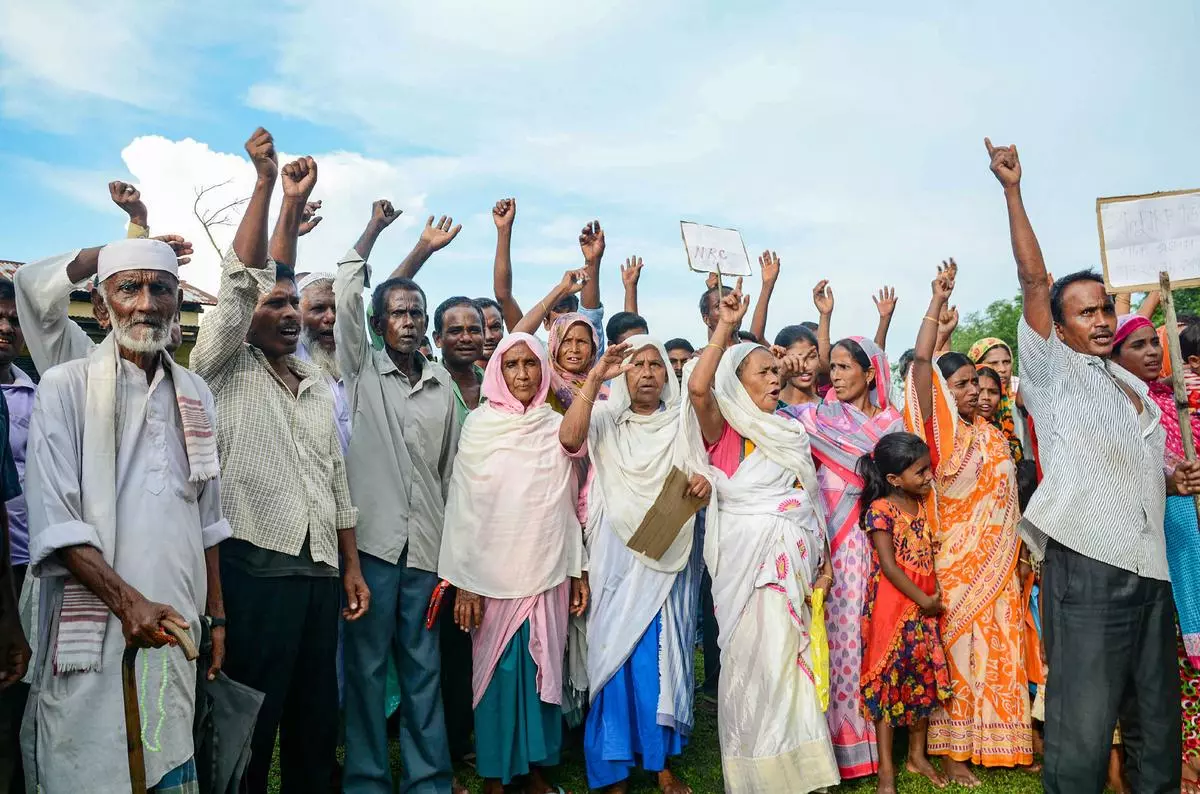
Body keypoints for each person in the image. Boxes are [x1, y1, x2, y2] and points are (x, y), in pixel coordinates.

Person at [984, 137, 1200, 793]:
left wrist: (1171, 477)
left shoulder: (1135, 391)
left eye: (1107, 307)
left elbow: (1137, 470)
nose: (1103, 320)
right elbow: (1033, 281)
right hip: (1087, 570)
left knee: (1154, 729)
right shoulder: (1054, 374)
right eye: (1087, 311)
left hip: (1151, 573)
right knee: (1081, 737)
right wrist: (1014, 191)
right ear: (1059, 324)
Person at [190, 133, 369, 794]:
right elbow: (238, 287)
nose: (291, 314)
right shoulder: (222, 366)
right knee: (247, 721)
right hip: (254, 570)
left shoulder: (315, 384)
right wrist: (269, 186)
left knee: (315, 719)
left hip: (319, 571)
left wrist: (348, 565)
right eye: (277, 305)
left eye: (294, 304)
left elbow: (336, 481)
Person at [21, 236, 228, 793]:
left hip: (175, 618)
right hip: (95, 621)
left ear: (176, 296)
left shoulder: (196, 392)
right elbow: (56, 521)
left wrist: (217, 617)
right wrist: (127, 602)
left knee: (168, 742)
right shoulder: (66, 387)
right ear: (103, 298)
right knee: (87, 754)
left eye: (159, 288)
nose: (145, 302)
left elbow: (207, 517)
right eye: (129, 287)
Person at [685, 279, 839, 793]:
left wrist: (821, 557)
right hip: (746, 571)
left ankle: (804, 772)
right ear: (739, 380)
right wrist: (726, 326)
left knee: (792, 666)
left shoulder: (790, 430)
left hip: (793, 567)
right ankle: (758, 775)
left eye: (778, 371)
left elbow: (806, 502)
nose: (777, 378)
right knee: (754, 669)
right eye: (765, 372)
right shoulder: (725, 427)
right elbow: (700, 388)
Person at [334, 199, 461, 794]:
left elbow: (450, 477)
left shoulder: (441, 389)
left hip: (427, 556)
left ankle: (428, 781)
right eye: (397, 313)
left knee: (423, 673)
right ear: (379, 324)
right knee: (364, 671)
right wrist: (374, 230)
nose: (408, 321)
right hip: (372, 552)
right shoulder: (360, 370)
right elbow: (345, 292)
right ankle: (365, 781)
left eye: (416, 312)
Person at [438, 332, 588, 794]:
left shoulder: (554, 425)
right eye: (512, 365)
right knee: (497, 675)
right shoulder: (480, 426)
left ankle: (536, 771)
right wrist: (463, 582)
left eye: (531, 364)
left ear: (544, 370)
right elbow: (465, 507)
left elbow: (568, 502)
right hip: (490, 574)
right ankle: (495, 777)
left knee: (544, 664)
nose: (522, 374)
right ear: (497, 373)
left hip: (546, 568)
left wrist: (576, 567)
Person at [561, 337, 711, 794]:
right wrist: (594, 375)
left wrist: (704, 483)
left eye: (655, 365)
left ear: (667, 374)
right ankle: (613, 769)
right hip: (614, 556)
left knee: (661, 656)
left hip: (667, 552)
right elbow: (569, 438)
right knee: (612, 653)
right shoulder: (604, 418)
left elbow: (700, 469)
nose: (646, 372)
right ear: (623, 375)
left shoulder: (681, 421)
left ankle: (661, 763)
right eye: (637, 365)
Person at [905, 259, 1032, 783]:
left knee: (1002, 647)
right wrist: (935, 305)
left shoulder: (993, 431)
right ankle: (955, 754)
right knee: (960, 655)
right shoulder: (944, 436)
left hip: (1002, 563)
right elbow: (918, 365)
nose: (975, 392)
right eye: (961, 384)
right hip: (956, 563)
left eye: (979, 384)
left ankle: (998, 743)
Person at [781, 337, 904, 781]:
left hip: (867, 544)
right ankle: (823, 747)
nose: (835, 374)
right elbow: (767, 410)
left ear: (870, 374)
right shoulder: (814, 417)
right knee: (821, 640)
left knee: (860, 639)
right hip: (821, 540)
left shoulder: (892, 424)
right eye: (831, 366)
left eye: (845, 367)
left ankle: (861, 748)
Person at [1112, 313, 1200, 791]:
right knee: (1157, 661)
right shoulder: (1112, 406)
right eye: (1138, 345)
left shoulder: (1174, 400)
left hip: (1187, 541)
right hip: (1143, 548)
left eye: (1154, 343)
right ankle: (1175, 760)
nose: (1151, 352)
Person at [856, 432, 953, 794]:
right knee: (887, 685)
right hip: (894, 607)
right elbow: (890, 566)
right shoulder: (881, 510)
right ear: (894, 479)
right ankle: (885, 772)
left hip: (924, 607)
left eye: (928, 469)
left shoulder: (923, 505)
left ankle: (917, 755)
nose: (929, 476)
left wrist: (931, 599)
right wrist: (924, 601)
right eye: (921, 472)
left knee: (923, 680)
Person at [431, 294, 487, 780]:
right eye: (455, 330)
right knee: (449, 649)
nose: (466, 337)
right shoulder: (428, 388)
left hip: (496, 536)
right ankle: (450, 746)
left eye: (474, 329)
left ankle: (484, 739)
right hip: (441, 538)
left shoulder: (499, 389)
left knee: (485, 642)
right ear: (437, 339)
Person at [0, 278, 33, 793]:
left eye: (13, 319)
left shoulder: (37, 391)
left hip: (29, 562)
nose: (4, 328)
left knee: (17, 696)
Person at [491, 198, 606, 347]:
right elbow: (503, 296)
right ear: (546, 323)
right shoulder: (537, 356)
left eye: (572, 314)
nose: (565, 320)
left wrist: (592, 262)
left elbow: (590, 312)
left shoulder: (591, 351)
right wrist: (504, 230)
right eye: (558, 313)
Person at [967, 338, 1028, 459]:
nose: (1002, 369)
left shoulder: (1022, 390)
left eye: (1006, 362)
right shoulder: (966, 405)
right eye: (994, 363)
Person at [975, 366, 1023, 461]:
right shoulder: (961, 434)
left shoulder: (1007, 431)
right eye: (980, 391)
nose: (986, 397)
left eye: (993, 392)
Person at [774, 325, 821, 407]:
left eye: (812, 357)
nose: (804, 365)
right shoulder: (769, 406)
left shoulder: (830, 408)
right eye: (795, 359)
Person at [474, 296, 506, 365]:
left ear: (502, 330)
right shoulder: (448, 373)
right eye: (480, 328)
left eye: (495, 327)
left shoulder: (517, 371)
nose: (488, 336)